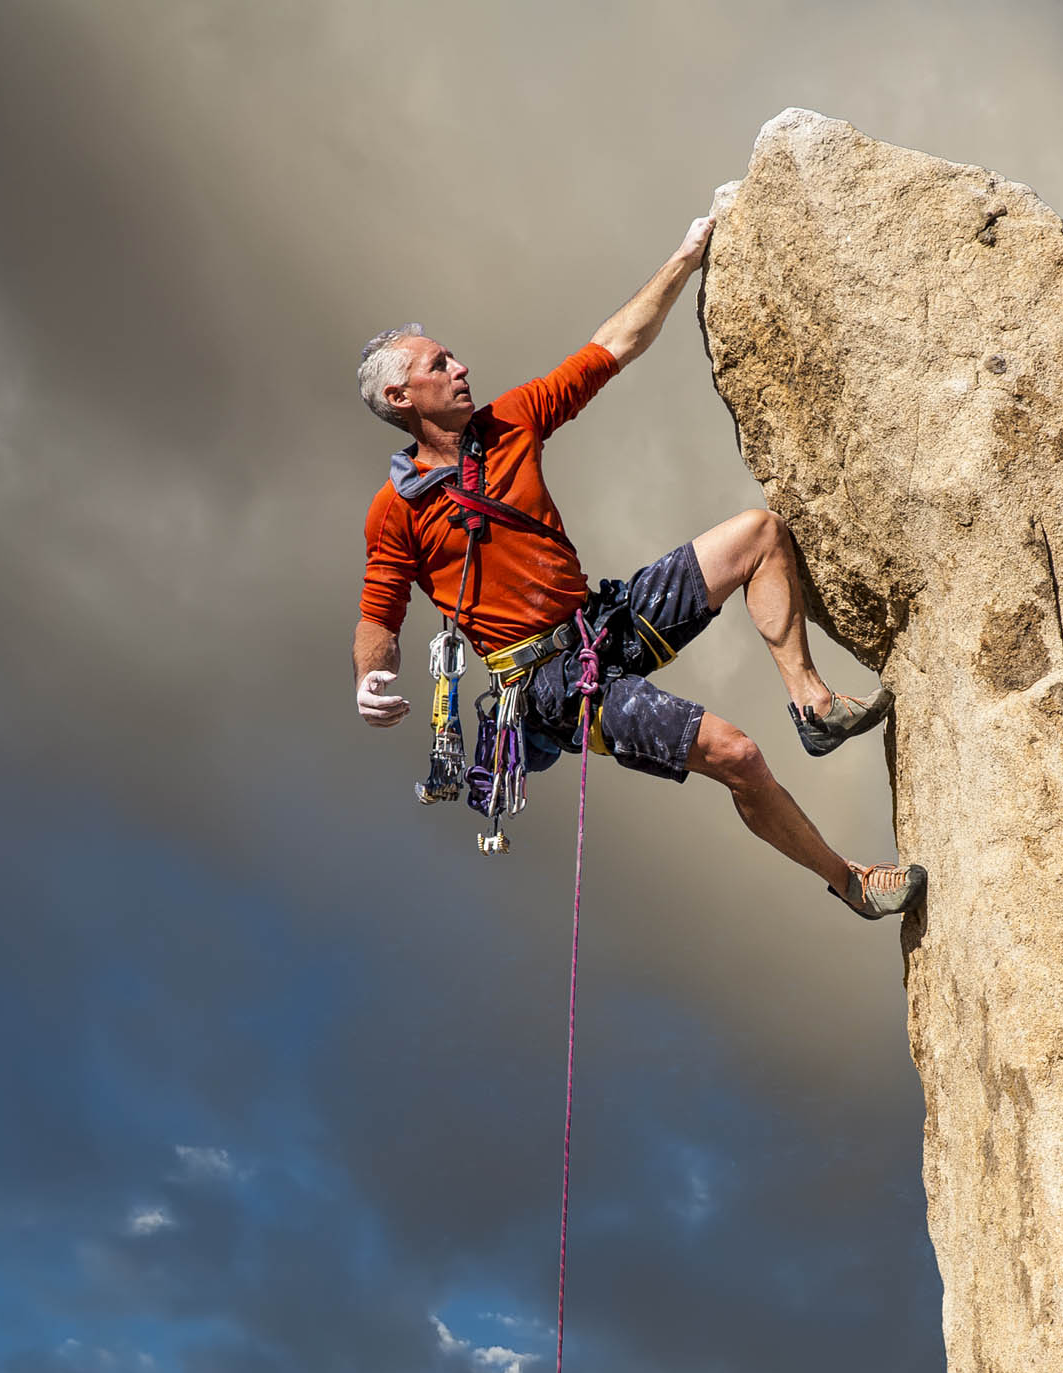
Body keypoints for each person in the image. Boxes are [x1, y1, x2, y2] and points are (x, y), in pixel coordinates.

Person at [352, 214, 925, 921]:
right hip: (548, 684)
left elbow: (613, 345)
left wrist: (684, 259)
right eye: (438, 364)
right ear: (400, 398)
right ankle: (851, 882)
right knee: (737, 756)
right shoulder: (396, 510)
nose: (460, 367)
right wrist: (368, 680)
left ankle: (812, 704)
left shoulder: (512, 423)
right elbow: (379, 615)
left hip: (600, 623)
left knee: (758, 534)